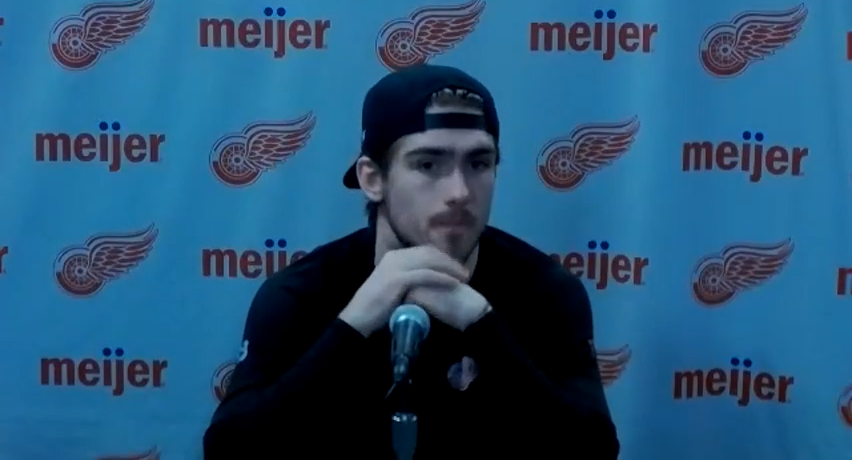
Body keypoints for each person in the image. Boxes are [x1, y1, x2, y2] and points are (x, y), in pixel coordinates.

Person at [202, 64, 619, 459]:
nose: (459, 192)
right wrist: (353, 325)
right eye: (428, 164)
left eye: (478, 163)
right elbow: (229, 450)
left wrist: (483, 326)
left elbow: (593, 450)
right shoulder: (303, 293)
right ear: (373, 178)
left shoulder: (544, 291)